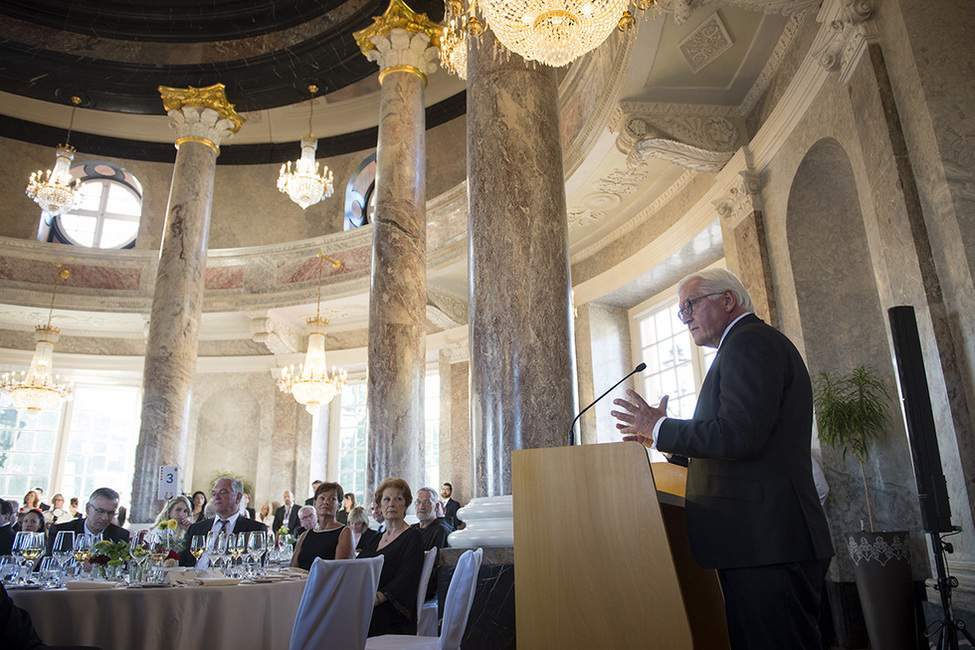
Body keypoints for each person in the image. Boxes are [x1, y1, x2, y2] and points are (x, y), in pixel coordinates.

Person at [611, 268, 834, 650]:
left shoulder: (750, 343)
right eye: (681, 312)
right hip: (758, 541)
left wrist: (662, 425)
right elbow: (731, 446)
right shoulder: (744, 346)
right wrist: (659, 436)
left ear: (727, 300)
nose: (684, 319)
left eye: (689, 306)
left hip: (767, 542)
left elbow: (739, 435)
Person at [358, 477, 424, 637]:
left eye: (398, 499)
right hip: (366, 605)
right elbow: (358, 567)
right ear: (380, 505)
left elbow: (407, 576)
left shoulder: (413, 537)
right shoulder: (374, 538)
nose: (391, 504)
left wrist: (377, 598)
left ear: (406, 505)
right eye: (386, 499)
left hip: (390, 612)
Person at [179, 477, 267, 568]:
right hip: (196, 579)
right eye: (214, 494)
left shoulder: (255, 530)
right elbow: (183, 564)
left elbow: (255, 566)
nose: (216, 497)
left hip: (232, 581)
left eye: (223, 492)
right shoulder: (196, 529)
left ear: (238, 497)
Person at [46, 487, 130, 554]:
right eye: (100, 511)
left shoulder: (120, 535)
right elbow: (49, 565)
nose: (105, 518)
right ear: (88, 508)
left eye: (111, 513)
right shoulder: (62, 531)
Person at [290, 482, 354, 570]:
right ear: (315, 503)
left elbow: (340, 572)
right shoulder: (305, 535)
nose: (325, 502)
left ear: (339, 505)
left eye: (332, 499)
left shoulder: (345, 533)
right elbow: (292, 569)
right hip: (300, 582)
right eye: (322, 498)